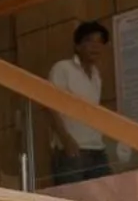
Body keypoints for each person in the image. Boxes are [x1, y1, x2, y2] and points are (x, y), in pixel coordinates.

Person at [48, 20, 112, 184]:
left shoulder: (96, 75)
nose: (95, 47)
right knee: (72, 200)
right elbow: (50, 106)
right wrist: (66, 140)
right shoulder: (63, 68)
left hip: (97, 149)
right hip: (72, 149)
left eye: (100, 42)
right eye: (90, 41)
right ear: (77, 46)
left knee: (106, 199)